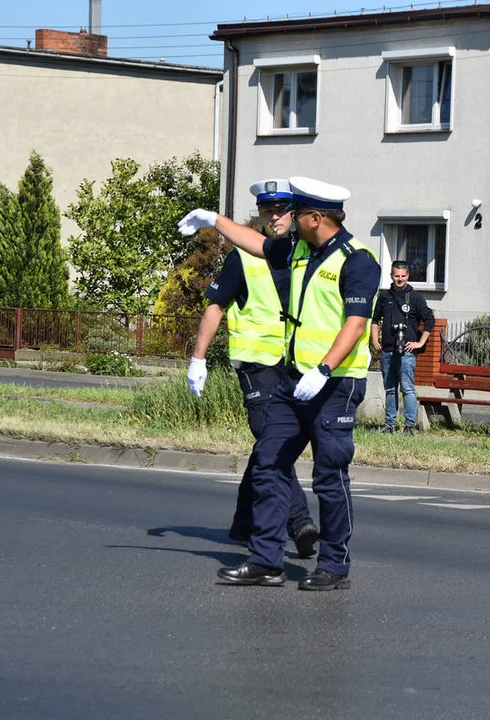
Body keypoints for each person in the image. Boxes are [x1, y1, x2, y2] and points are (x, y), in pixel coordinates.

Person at [177, 176, 380, 591]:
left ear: (316, 217)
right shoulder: (299, 249)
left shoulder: (358, 261)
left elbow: (355, 322)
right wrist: (213, 219)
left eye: (297, 212)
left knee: (329, 476)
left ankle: (334, 566)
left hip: (335, 383)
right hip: (292, 381)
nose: (287, 218)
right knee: (269, 463)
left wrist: (323, 369)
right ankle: (266, 560)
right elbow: (254, 244)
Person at [185, 179, 319, 559]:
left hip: (295, 366)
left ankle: (243, 523)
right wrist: (198, 359)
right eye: (266, 211)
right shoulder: (242, 257)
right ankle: (299, 523)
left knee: (269, 444)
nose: (274, 217)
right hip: (256, 367)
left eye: (281, 211)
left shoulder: (306, 254)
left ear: (294, 215)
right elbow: (215, 306)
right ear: (259, 215)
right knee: (273, 442)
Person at [371, 261, 435, 435]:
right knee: (390, 389)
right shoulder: (384, 296)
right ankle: (389, 425)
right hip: (387, 351)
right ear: (391, 276)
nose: (399, 279)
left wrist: (420, 343)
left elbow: (430, 320)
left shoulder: (415, 297)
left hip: (407, 351)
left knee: (407, 388)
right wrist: (375, 339)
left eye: (403, 276)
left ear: (408, 276)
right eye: (396, 276)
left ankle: (409, 426)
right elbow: (374, 320)